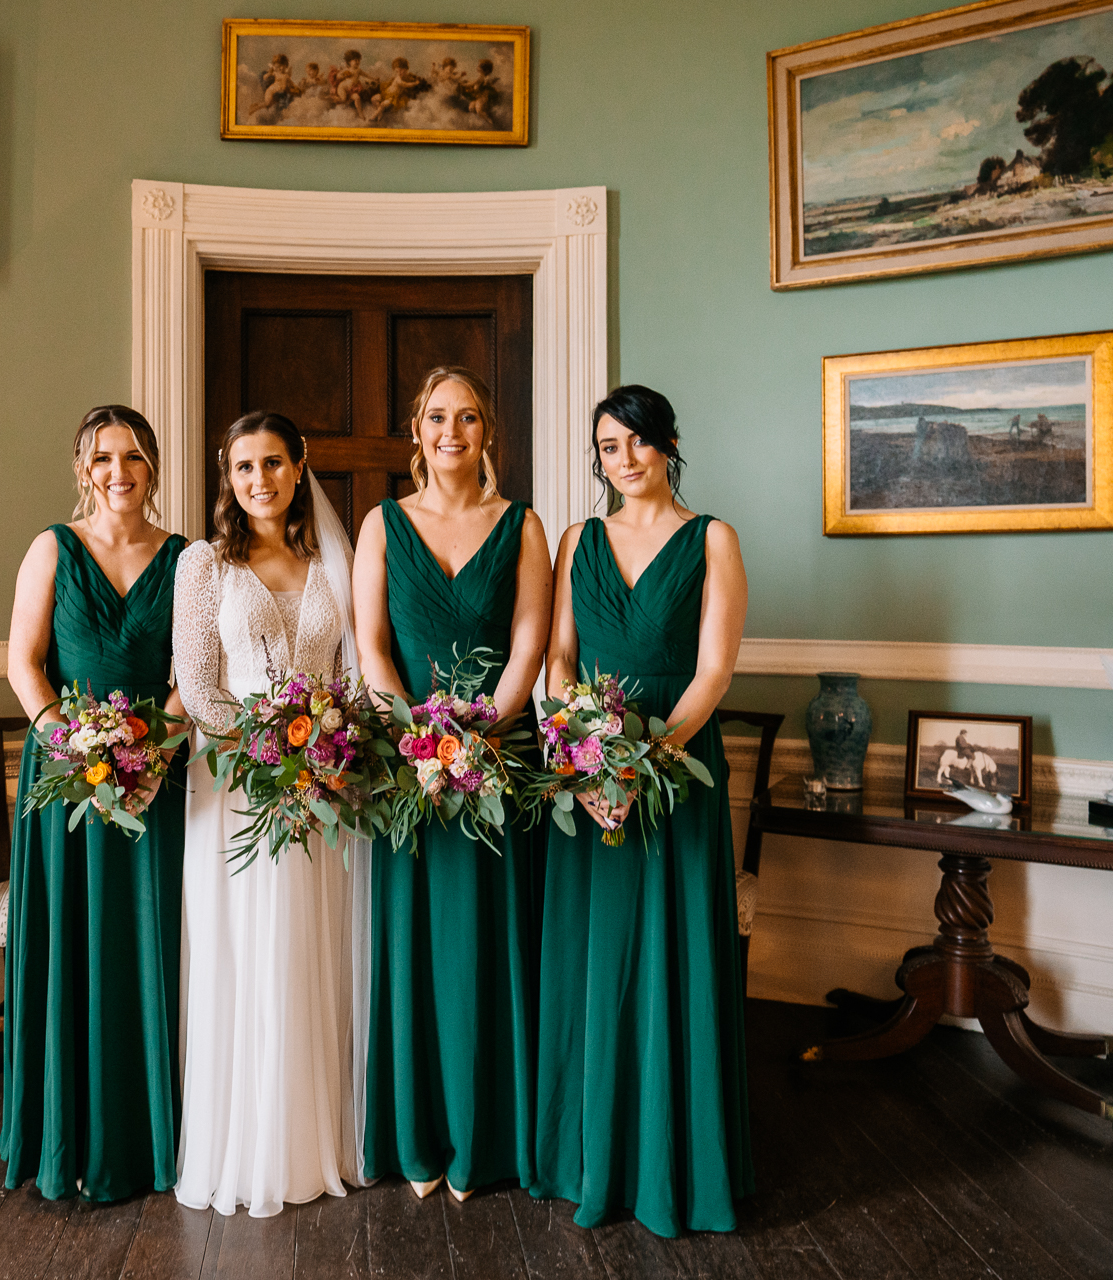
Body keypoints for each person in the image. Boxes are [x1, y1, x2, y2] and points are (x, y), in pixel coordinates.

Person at [532, 384, 754, 1236]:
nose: (621, 460)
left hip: (678, 770)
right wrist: (581, 749)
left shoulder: (714, 539)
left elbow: (714, 674)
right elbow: (559, 654)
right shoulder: (577, 540)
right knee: (599, 957)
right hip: (586, 774)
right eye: (606, 447)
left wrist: (646, 758)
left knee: (675, 957)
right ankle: (587, 1158)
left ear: (667, 444)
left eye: (635, 443)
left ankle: (679, 1169)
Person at [352, 368, 551, 1202]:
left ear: (486, 434)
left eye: (469, 417)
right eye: (438, 417)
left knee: (492, 948)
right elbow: (371, 646)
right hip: (411, 769)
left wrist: (482, 733)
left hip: (500, 762)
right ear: (416, 430)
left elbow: (532, 640)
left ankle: (491, 1139)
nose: (452, 431)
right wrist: (420, 738)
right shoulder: (381, 524)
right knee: (419, 950)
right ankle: (418, 1140)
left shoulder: (525, 526)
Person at [172, 411, 370, 1217]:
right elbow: (199, 682)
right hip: (233, 794)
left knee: (307, 950)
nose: (261, 480)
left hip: (320, 792)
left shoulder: (335, 560)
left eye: (275, 464)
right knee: (244, 956)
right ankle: (243, 1147)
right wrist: (270, 757)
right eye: (246, 466)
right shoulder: (204, 566)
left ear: (300, 467)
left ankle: (310, 1138)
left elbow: (355, 675)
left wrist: (325, 754)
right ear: (228, 472)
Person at [0, 406, 188, 1202]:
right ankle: (66, 1133)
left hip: (155, 777)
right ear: (84, 467)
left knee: (150, 943)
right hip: (66, 783)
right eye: (104, 458)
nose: (120, 472)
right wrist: (76, 747)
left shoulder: (186, 559)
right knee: (72, 945)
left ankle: (154, 1139)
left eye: (135, 458)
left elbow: (194, 673)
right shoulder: (52, 548)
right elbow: (23, 663)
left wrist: (150, 749)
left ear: (153, 468)